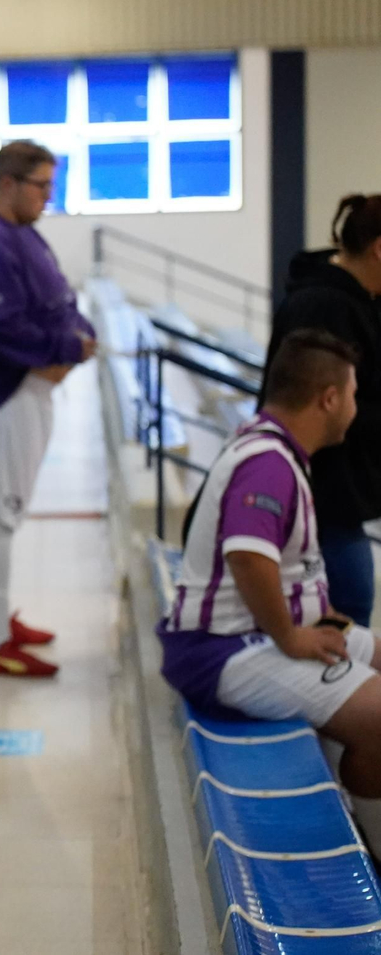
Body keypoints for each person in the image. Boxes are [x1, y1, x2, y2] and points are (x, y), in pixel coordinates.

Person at [159, 329, 381, 796]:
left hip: (250, 633)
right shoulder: (268, 464)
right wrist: (290, 635)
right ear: (329, 398)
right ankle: (360, 829)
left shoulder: (275, 451)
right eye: (354, 396)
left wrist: (311, 617)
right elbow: (247, 556)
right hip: (224, 648)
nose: (356, 409)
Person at [0, 140, 98, 678]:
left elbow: (56, 298)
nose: (48, 198)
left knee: (6, 512)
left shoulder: (19, 232)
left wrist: (80, 335)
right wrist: (63, 350)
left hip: (29, 392)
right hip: (3, 395)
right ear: (9, 183)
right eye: (42, 187)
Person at [261, 195, 381, 627]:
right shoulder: (324, 306)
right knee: (348, 611)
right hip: (321, 491)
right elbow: (316, 405)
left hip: (339, 492)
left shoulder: (363, 300)